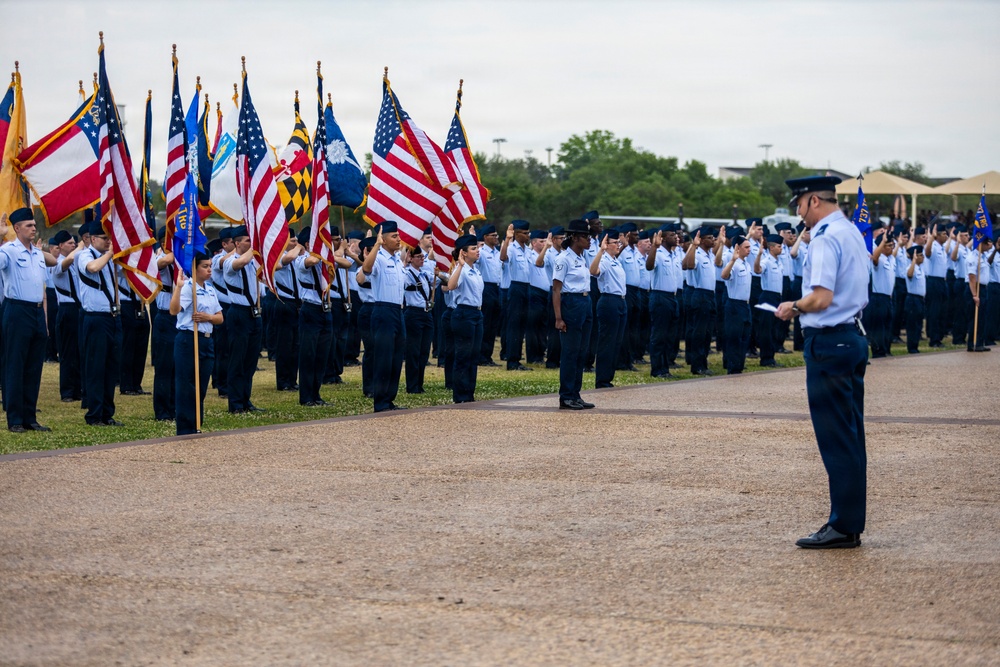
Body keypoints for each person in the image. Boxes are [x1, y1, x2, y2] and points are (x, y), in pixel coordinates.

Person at [776, 175, 869, 549]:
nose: (798, 213)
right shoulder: (850, 232)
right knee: (850, 435)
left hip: (830, 342)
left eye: (799, 204)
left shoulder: (827, 237)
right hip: (851, 337)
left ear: (813, 200)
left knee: (836, 438)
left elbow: (821, 297)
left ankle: (843, 526)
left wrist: (793, 306)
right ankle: (849, 522)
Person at [0, 209, 58, 432]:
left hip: (35, 311)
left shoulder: (36, 253)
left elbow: (41, 287)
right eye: (28, 225)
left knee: (34, 367)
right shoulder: (9, 251)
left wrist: (43, 320)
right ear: (16, 228)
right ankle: (15, 419)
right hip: (16, 310)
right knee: (16, 365)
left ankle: (30, 417)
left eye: (34, 225)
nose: (34, 228)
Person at [76, 220, 125, 427]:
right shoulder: (85, 255)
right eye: (105, 239)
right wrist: (109, 254)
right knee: (96, 368)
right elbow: (92, 268)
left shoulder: (110, 259)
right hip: (95, 318)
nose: (108, 242)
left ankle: (107, 413)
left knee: (111, 368)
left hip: (113, 317)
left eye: (109, 238)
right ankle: (94, 414)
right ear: (93, 239)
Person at [170, 252, 223, 436]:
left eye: (210, 266)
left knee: (201, 384)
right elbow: (174, 310)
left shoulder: (209, 288)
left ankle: (196, 423)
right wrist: (178, 288)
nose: (209, 269)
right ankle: (186, 428)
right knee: (187, 385)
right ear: (194, 268)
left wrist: (208, 317)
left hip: (207, 339)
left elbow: (220, 318)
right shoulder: (187, 288)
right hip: (188, 339)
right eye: (205, 266)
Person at [361, 221, 407, 413]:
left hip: (398, 311)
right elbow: (366, 269)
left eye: (398, 235)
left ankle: (390, 399)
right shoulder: (378, 257)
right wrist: (377, 245)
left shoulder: (397, 260)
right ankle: (380, 402)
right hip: (382, 311)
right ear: (384, 238)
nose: (398, 239)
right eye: (394, 236)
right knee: (384, 359)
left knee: (396, 359)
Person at [552, 219, 595, 410]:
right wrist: (559, 318)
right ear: (575, 238)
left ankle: (576, 394)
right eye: (586, 237)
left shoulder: (581, 257)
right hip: (571, 303)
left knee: (581, 352)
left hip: (585, 302)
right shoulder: (563, 259)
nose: (590, 240)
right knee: (570, 352)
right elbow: (556, 290)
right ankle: (566, 396)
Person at [222, 225, 264, 414]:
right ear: (237, 243)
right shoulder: (230, 260)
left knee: (250, 361)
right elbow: (239, 264)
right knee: (237, 360)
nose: (252, 243)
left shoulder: (253, 261)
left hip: (254, 314)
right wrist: (255, 248)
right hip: (238, 313)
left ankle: (246, 399)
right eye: (248, 240)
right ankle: (236, 403)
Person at [444, 234, 485, 403]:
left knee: (474, 356)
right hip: (463, 314)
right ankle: (460, 395)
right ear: (464, 253)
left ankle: (469, 393)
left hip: (476, 313)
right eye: (474, 248)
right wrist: (460, 266)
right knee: (463, 355)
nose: (478, 251)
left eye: (477, 247)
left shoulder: (475, 270)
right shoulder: (460, 270)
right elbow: (451, 286)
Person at [590, 228, 627, 389]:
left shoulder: (615, 260)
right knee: (607, 341)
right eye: (615, 242)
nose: (618, 245)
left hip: (620, 301)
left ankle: (608, 377)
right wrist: (601, 250)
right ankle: (602, 379)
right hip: (609, 301)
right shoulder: (604, 259)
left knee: (616, 341)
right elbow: (593, 271)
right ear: (606, 244)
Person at [51, 229, 83, 403]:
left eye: (74, 243)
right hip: (66, 309)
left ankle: (78, 389)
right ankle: (67, 391)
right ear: (61, 246)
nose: (73, 245)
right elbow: (67, 261)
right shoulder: (57, 263)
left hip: (78, 309)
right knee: (68, 351)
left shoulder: (75, 262)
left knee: (79, 351)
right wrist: (81, 246)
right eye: (70, 243)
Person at [681, 225, 718, 375]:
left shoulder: (709, 255)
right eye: (709, 238)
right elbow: (687, 265)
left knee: (708, 332)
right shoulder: (696, 254)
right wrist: (693, 246)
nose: (713, 240)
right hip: (700, 294)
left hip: (710, 295)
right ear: (701, 240)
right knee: (699, 332)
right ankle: (697, 366)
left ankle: (703, 362)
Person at [645, 226, 679, 379]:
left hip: (672, 298)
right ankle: (657, 369)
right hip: (660, 297)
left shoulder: (672, 255)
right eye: (672, 235)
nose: (676, 237)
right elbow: (649, 266)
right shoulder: (658, 254)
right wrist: (654, 246)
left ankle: (665, 367)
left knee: (669, 335)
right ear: (664, 238)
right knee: (659, 335)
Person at [402, 245, 435, 394]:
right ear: (411, 258)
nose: (422, 259)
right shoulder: (407, 273)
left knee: (423, 351)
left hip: (426, 313)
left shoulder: (425, 274)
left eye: (423, 257)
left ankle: (419, 384)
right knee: (413, 351)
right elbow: (401, 279)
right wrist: (404, 259)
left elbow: (440, 280)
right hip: (413, 313)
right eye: (419, 257)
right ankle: (412, 385)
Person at [501, 219, 532, 371]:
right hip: (516, 287)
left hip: (527, 287)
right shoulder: (512, 248)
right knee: (514, 324)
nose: (528, 236)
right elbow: (503, 257)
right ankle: (511, 360)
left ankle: (517, 358)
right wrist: (507, 239)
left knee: (521, 325)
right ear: (517, 234)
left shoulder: (528, 250)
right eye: (525, 233)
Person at [720, 234, 752, 374]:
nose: (749, 249)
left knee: (745, 337)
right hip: (734, 304)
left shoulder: (747, 264)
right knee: (734, 337)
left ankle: (739, 365)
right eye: (746, 247)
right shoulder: (735, 264)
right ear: (738, 248)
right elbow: (724, 276)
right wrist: (732, 260)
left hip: (745, 305)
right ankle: (733, 368)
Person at [754, 234, 785, 368]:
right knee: (766, 329)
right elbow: (757, 270)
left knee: (774, 329)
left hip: (777, 297)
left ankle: (771, 356)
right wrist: (759, 255)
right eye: (779, 246)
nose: (781, 248)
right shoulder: (766, 261)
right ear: (771, 247)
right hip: (767, 296)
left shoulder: (779, 262)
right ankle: (765, 358)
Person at [475, 224, 502, 366]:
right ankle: (481, 356)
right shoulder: (481, 252)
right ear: (485, 238)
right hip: (486, 287)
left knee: (493, 324)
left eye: (497, 235)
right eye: (493, 235)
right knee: (486, 323)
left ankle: (488, 355)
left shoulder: (498, 253)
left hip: (497, 288)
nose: (496, 238)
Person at [866, 231, 896, 358]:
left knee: (888, 323)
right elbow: (874, 257)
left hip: (888, 297)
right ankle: (878, 351)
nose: (891, 247)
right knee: (879, 326)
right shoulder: (879, 259)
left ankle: (886, 349)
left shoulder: (892, 259)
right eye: (888, 245)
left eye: (891, 245)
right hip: (878, 296)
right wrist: (882, 241)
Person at [966, 237, 993, 352]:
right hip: (976, 288)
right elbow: (972, 278)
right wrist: (975, 295)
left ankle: (979, 342)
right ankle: (973, 343)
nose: (990, 246)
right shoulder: (973, 257)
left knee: (982, 318)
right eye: (988, 244)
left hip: (983, 288)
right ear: (982, 244)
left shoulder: (982, 256)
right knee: (975, 318)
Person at [904, 246, 926, 354]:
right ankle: (911, 347)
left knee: (918, 324)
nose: (923, 257)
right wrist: (913, 261)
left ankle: (915, 345)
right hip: (912, 299)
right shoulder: (910, 267)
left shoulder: (921, 268)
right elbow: (909, 274)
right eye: (920, 255)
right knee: (912, 324)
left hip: (920, 299)